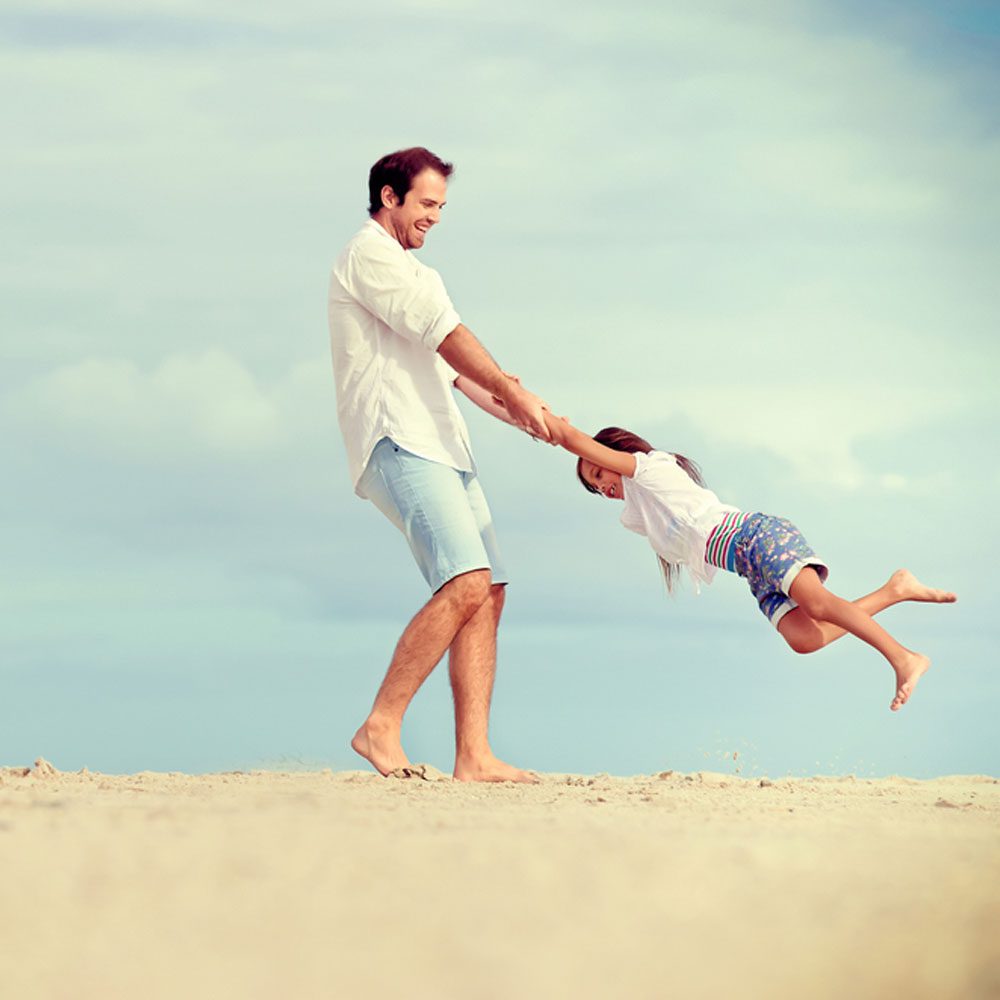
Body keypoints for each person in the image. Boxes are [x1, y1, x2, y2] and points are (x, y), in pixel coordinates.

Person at [327, 147, 549, 782]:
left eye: (442, 207)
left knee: (489, 590)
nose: (436, 218)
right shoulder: (368, 255)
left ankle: (473, 756)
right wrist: (513, 391)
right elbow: (447, 334)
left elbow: (455, 374)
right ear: (390, 198)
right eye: (427, 204)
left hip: (445, 445)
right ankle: (380, 725)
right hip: (398, 439)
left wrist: (524, 412)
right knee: (465, 581)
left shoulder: (418, 274)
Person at [540, 417, 956, 712]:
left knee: (820, 605)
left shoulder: (649, 469)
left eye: (599, 472)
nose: (602, 485)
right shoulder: (640, 508)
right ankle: (895, 590)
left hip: (757, 538)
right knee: (805, 639)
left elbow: (576, 440)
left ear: (618, 453)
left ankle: (904, 658)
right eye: (594, 486)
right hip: (749, 567)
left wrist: (544, 421)